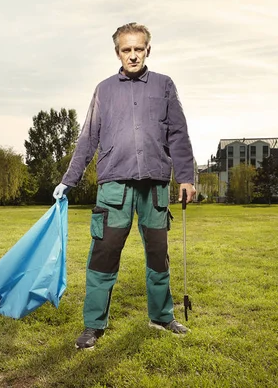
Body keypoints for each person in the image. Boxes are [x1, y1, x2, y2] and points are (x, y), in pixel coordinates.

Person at [53, 22, 196, 350]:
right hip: (114, 187)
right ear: (117, 52)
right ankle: (93, 326)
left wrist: (186, 177)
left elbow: (178, 134)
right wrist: (68, 180)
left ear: (148, 49)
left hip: (155, 186)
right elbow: (88, 138)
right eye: (126, 49)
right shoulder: (104, 90)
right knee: (103, 256)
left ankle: (161, 316)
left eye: (138, 49)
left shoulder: (164, 85)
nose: (132, 55)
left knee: (159, 256)